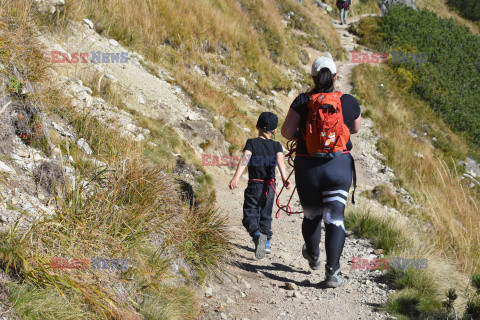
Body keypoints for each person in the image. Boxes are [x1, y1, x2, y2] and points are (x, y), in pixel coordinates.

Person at [281, 57, 361, 287]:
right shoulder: (347, 101)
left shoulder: (302, 101)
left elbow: (287, 132)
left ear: (313, 78)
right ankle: (332, 272)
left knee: (312, 213)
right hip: (339, 167)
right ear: (335, 77)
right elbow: (355, 128)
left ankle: (313, 256)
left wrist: (304, 137)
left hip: (308, 167)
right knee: (335, 217)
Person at [229, 112, 292, 260]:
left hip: (255, 184)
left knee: (250, 214)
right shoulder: (277, 145)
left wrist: (236, 177)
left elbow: (245, 158)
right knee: (266, 214)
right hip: (270, 187)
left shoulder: (252, 142)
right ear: (274, 130)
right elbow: (280, 162)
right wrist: (284, 179)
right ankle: (267, 243)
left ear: (257, 126)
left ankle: (257, 236)